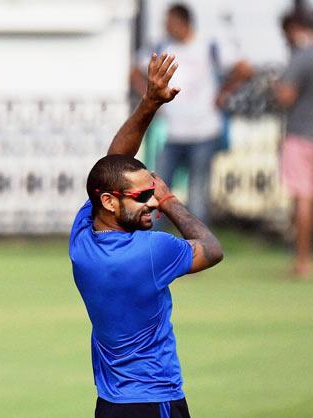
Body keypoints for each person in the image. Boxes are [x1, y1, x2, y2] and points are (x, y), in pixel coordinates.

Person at [70, 53, 223, 418]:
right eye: (142, 196)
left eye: (152, 192)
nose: (151, 201)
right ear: (108, 201)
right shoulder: (150, 251)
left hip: (110, 403)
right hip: (155, 400)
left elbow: (112, 164)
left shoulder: (82, 238)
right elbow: (212, 249)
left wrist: (150, 101)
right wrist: (170, 201)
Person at [130, 3, 251, 225]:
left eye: (170, 23)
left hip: (204, 130)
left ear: (183, 22)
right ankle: (154, 246)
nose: (166, 28)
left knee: (197, 196)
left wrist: (224, 93)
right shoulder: (161, 45)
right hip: (172, 132)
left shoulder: (208, 45)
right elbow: (134, 72)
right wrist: (151, 100)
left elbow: (244, 68)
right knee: (157, 190)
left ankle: (199, 246)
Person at [274, 12, 313, 279]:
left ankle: (303, 262)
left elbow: (286, 96)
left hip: (302, 134)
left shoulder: (303, 56)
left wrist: (275, 89)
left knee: (303, 197)